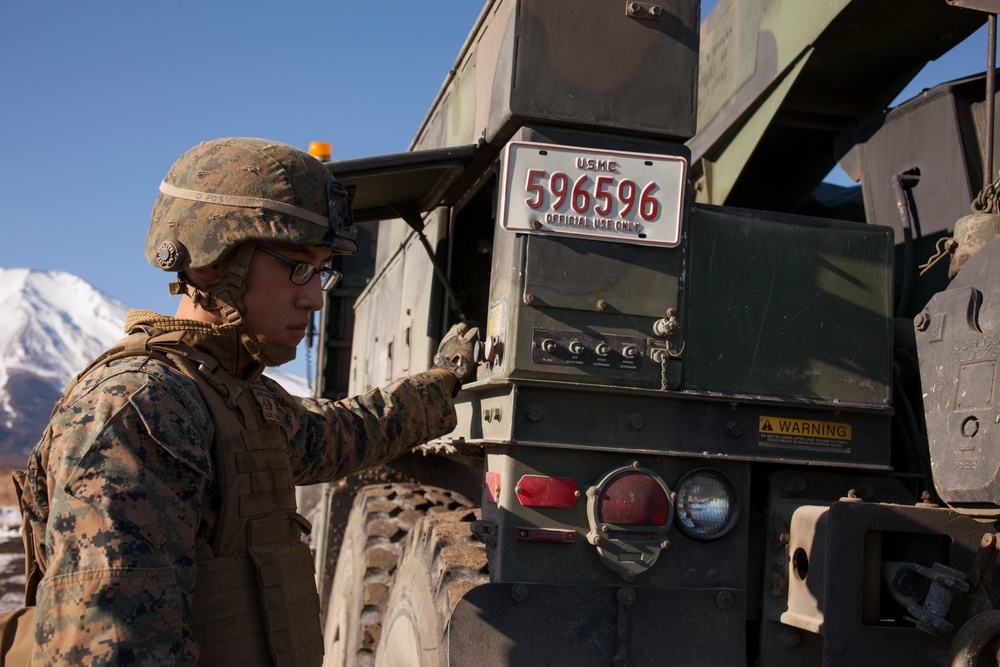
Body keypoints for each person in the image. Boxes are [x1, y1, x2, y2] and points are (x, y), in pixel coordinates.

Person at [17, 137, 478, 666]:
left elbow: (338, 435)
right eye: (297, 266)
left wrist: (442, 381)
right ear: (215, 264)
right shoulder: (136, 411)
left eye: (323, 270)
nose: (316, 296)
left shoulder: (230, 394)